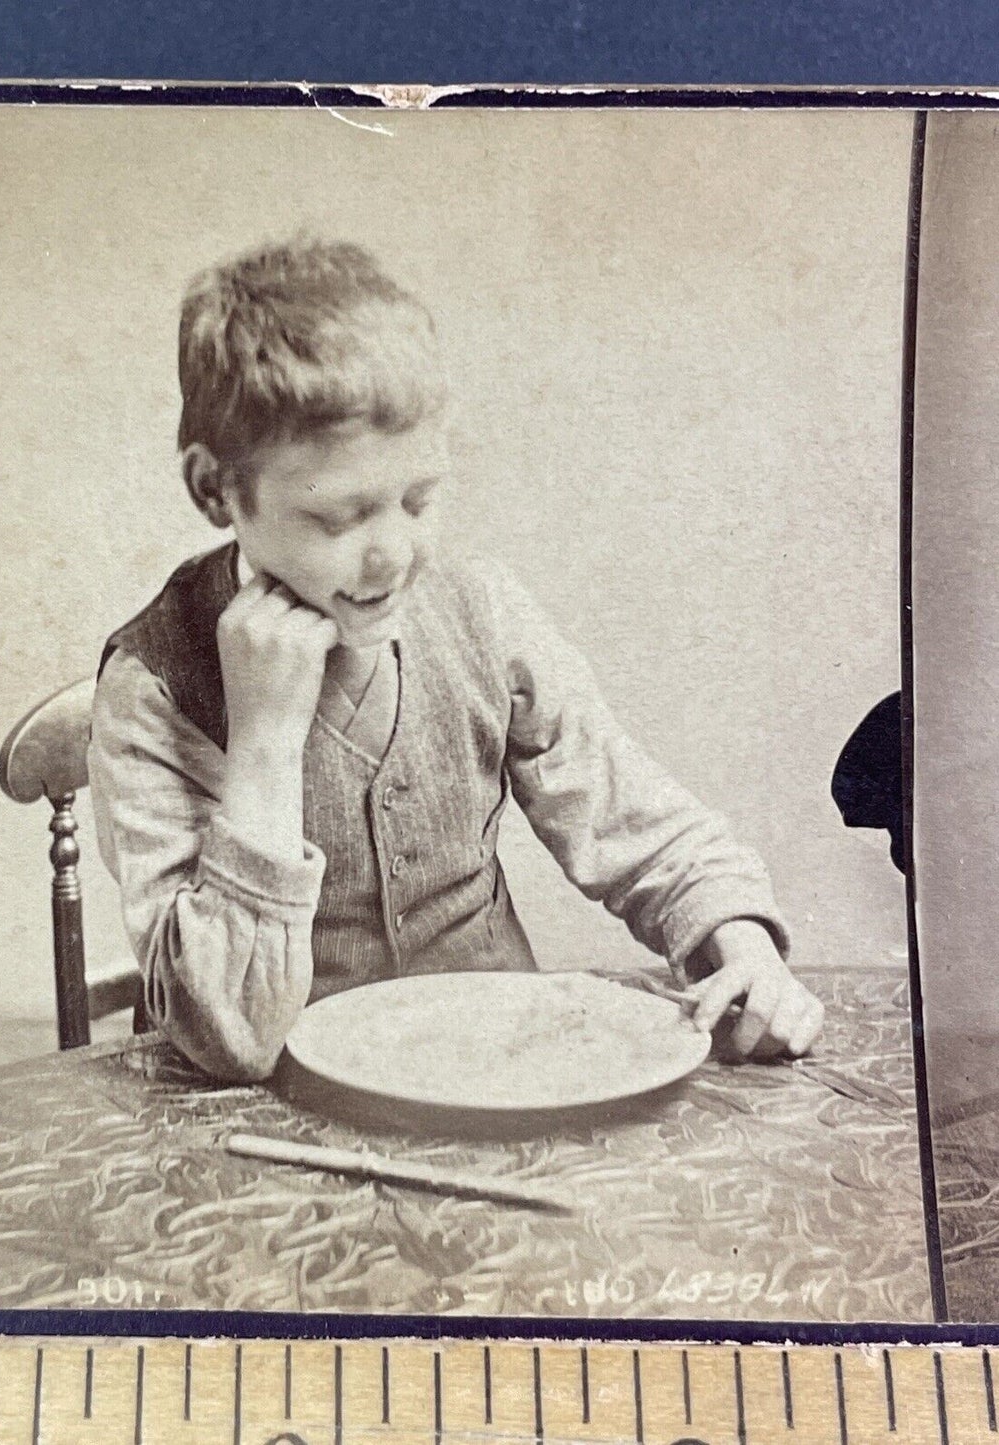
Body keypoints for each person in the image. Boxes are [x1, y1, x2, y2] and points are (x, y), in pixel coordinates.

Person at [88, 236, 824, 1083]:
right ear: (214, 489)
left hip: (494, 1080)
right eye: (339, 518)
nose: (392, 554)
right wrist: (261, 744)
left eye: (417, 499)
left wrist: (744, 950)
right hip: (275, 1117)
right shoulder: (152, 687)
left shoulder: (480, 607)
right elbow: (231, 1039)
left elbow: (641, 826)